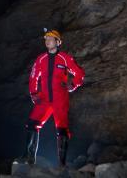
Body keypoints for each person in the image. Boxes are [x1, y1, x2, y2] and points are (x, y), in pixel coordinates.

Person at [22, 28, 85, 167]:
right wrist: (34, 93)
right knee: (32, 124)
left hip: (60, 99)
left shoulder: (65, 58)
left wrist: (73, 84)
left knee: (62, 130)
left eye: (50, 39)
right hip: (44, 99)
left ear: (58, 42)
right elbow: (33, 77)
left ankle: (61, 164)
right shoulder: (41, 59)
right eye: (46, 39)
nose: (47, 41)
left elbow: (80, 73)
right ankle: (29, 159)